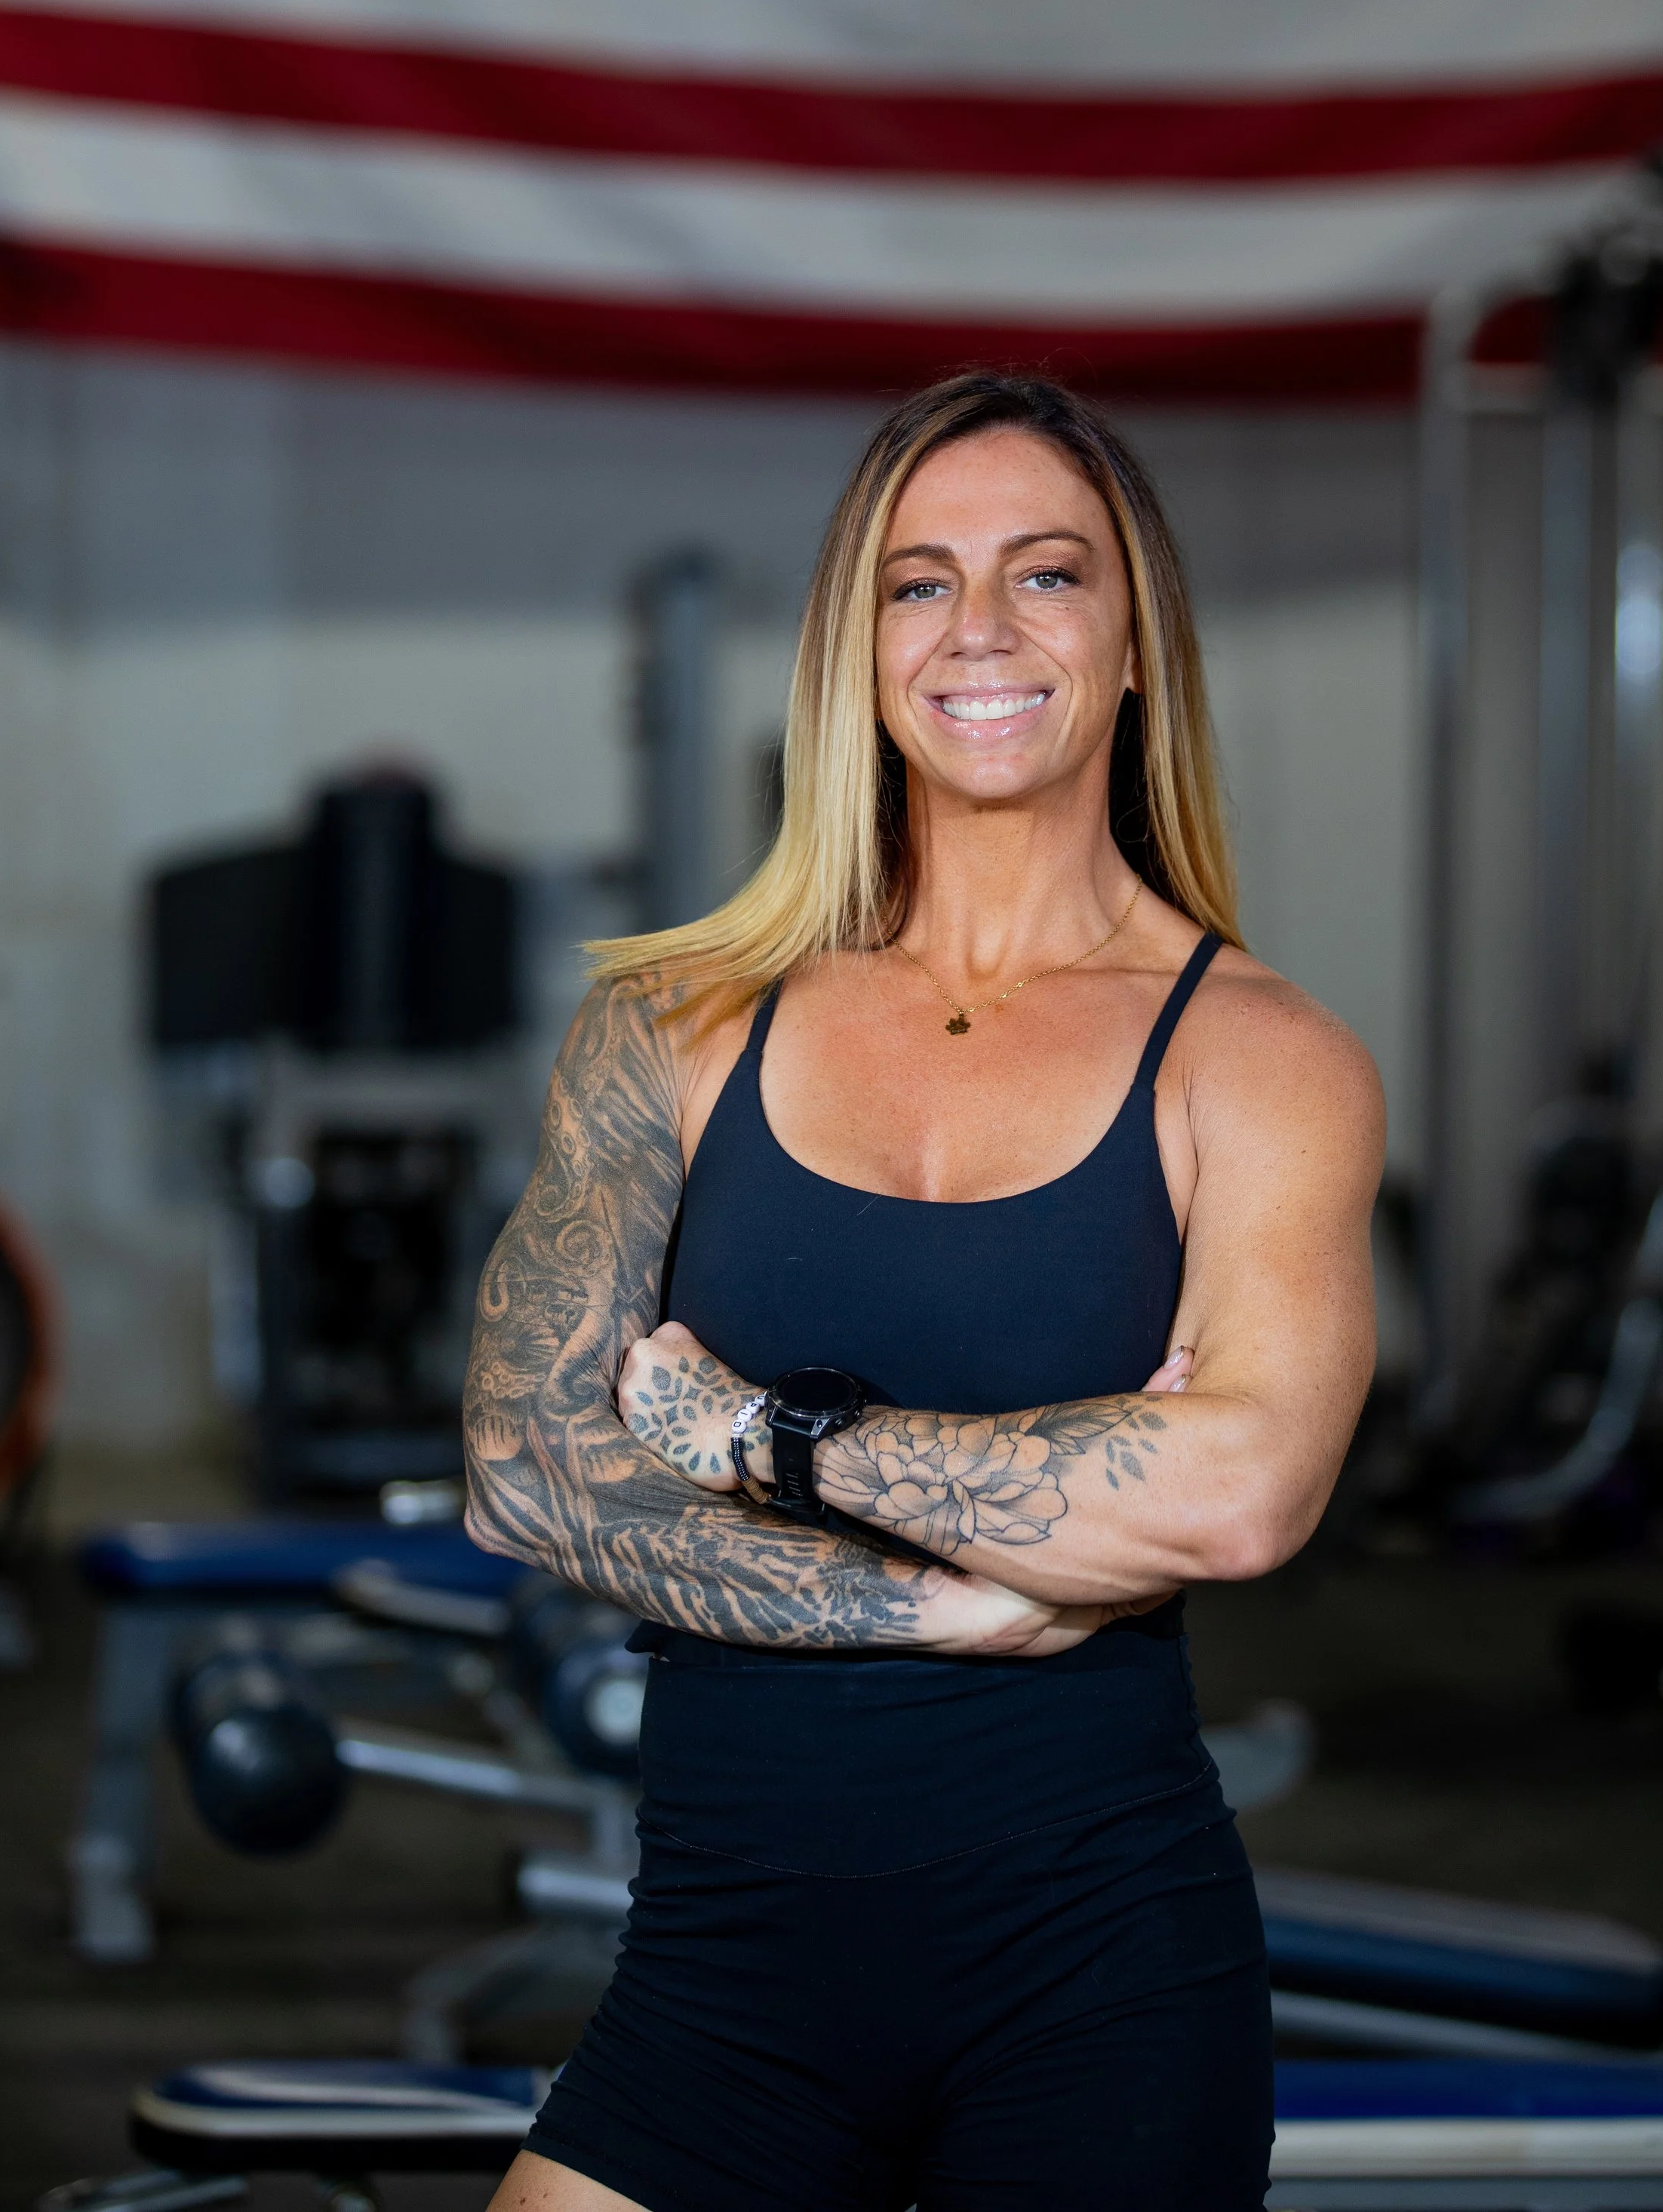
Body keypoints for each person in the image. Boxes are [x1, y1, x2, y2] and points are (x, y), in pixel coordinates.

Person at [465, 371, 1382, 2212]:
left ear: (1132, 650)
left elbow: (1239, 1489)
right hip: (719, 1979)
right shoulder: (678, 1021)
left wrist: (748, 1438)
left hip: (1099, 1981)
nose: (977, 629)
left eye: (1046, 577)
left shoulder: (1257, 1057)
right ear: (852, 651)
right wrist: (938, 1608)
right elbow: (524, 1464)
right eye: (916, 582)